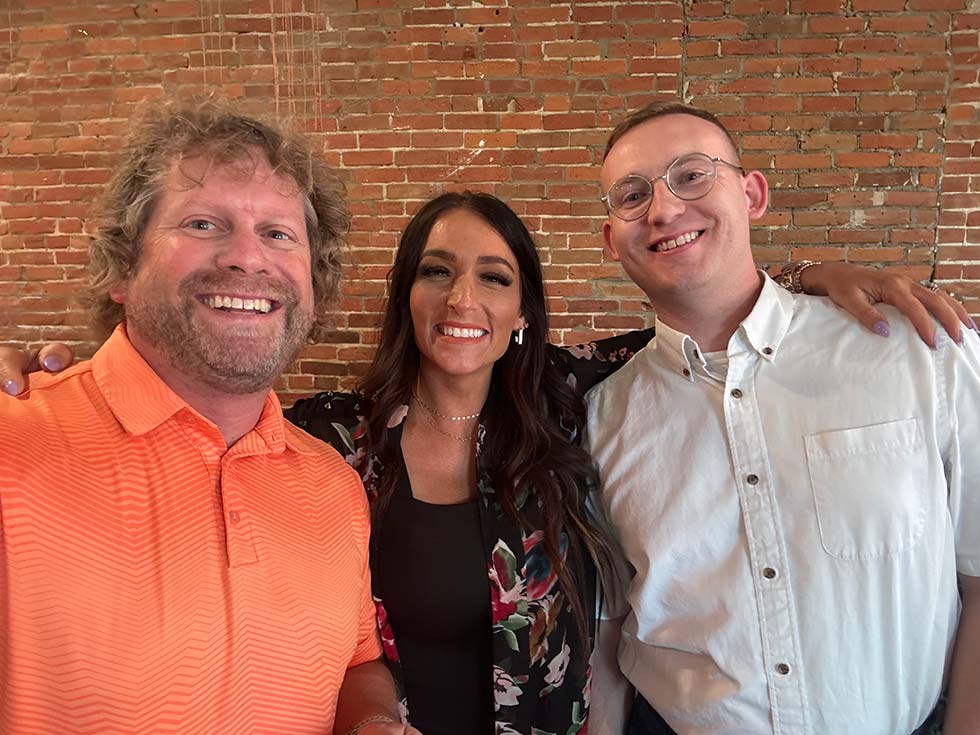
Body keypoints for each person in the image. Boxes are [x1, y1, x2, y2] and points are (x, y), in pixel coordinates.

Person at [0, 125, 971, 734]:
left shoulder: (567, 406)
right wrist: (66, 369)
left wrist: (813, 285)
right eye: (434, 270)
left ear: (522, 316)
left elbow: (707, 317)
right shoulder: (317, 440)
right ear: (402, 295)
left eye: (495, 277)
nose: (462, 296)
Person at [0, 104, 418, 735]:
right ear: (122, 267)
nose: (247, 258)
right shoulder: (14, 442)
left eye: (279, 233)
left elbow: (355, 660)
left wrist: (373, 724)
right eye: (203, 223)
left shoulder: (333, 484)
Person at [585, 101, 980, 735]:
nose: (662, 210)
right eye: (632, 195)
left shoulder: (918, 351)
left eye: (691, 175)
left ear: (752, 194)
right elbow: (609, 633)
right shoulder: (599, 417)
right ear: (611, 239)